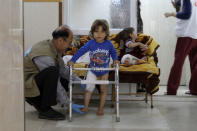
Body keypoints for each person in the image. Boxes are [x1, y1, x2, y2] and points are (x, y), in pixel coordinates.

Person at [24, 25, 85, 120]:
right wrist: (68, 103)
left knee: (65, 79)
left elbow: (63, 70)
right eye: (69, 43)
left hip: (35, 82)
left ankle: (38, 101)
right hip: (28, 85)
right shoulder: (45, 55)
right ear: (60, 40)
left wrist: (79, 81)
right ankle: (45, 110)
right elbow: (55, 82)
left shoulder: (53, 47)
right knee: (53, 72)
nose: (70, 46)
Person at [68, 19, 119, 116]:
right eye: (96, 31)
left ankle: (100, 109)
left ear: (106, 33)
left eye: (102, 31)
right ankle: (86, 107)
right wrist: (73, 60)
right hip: (93, 70)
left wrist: (115, 60)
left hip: (104, 70)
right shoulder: (90, 43)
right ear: (92, 32)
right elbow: (80, 51)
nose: (99, 34)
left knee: (103, 89)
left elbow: (114, 53)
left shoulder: (108, 44)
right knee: (89, 88)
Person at [164, 0, 197, 95]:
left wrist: (171, 14)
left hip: (186, 35)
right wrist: (177, 8)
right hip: (195, 35)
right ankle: (195, 89)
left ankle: (171, 90)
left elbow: (186, 15)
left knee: (178, 63)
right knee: (195, 64)